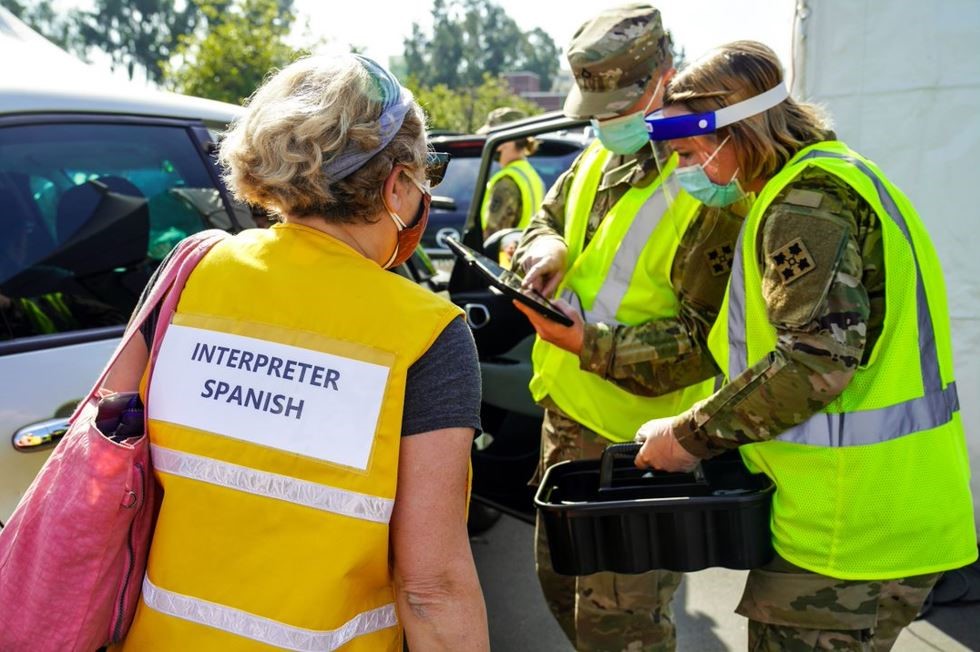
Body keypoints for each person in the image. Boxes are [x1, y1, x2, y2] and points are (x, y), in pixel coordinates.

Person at [105, 54, 490, 651]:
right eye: (425, 176)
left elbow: (110, 447)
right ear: (395, 185)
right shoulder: (425, 331)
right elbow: (430, 586)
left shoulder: (192, 272)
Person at [635, 40, 978, 651]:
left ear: (737, 132)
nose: (688, 173)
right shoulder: (838, 174)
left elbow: (814, 365)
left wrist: (687, 437)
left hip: (848, 531)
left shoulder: (804, 203)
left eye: (691, 154)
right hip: (876, 515)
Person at [509, 4, 749, 649]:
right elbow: (547, 217)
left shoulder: (706, 179)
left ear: (664, 77)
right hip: (568, 424)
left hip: (641, 451)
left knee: (619, 632)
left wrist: (586, 343)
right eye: (598, 109)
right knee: (561, 587)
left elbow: (703, 342)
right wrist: (546, 250)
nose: (607, 123)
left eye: (619, 107)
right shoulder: (603, 156)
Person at [477, 107, 545, 241]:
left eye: (490, 136)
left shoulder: (507, 182)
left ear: (505, 140)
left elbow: (493, 238)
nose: (487, 142)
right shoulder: (530, 175)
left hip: (504, 260)